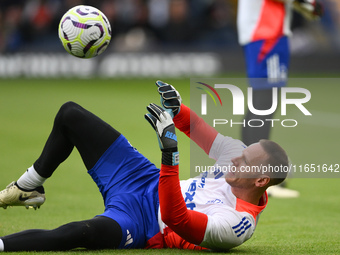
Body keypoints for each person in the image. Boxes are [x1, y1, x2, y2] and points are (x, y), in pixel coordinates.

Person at [0, 81, 289, 252]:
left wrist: (170, 154)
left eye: (246, 160)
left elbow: (176, 219)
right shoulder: (236, 155)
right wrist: (178, 109)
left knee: (81, 232)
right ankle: (29, 185)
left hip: (146, 224)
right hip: (144, 179)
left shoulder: (238, 225)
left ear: (261, 180)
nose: (236, 157)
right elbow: (197, 127)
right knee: (71, 115)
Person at [237, 0, 322, 197]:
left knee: (264, 101)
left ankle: (254, 171)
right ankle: (260, 174)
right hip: (266, 31)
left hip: (267, 31)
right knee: (264, 102)